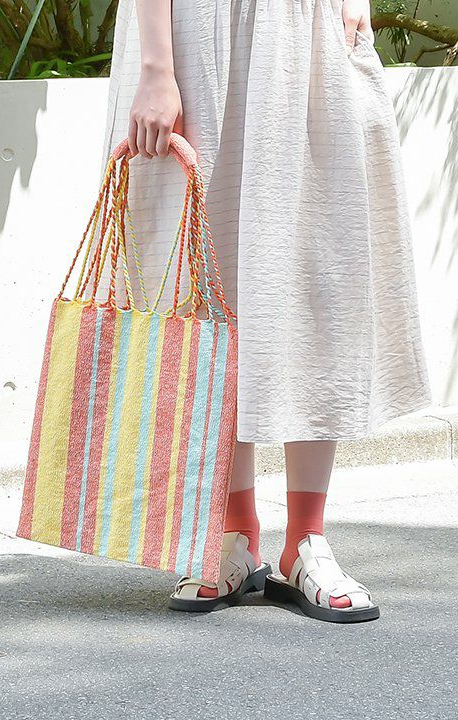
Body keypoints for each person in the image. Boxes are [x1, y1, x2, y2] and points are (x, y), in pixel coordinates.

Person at [99, 0, 431, 622]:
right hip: (192, 37)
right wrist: (156, 68)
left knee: (317, 271)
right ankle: (234, 534)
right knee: (205, 277)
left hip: (306, 29)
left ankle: (306, 540)